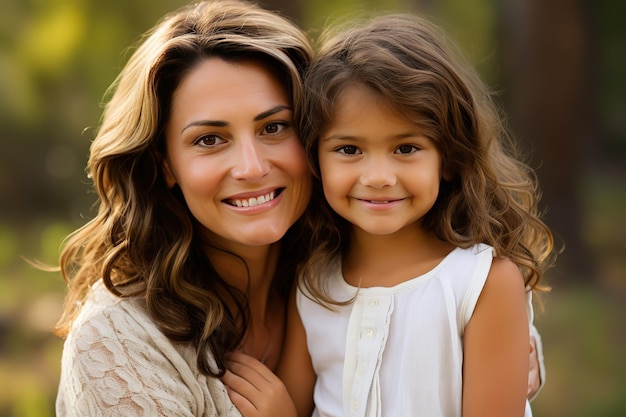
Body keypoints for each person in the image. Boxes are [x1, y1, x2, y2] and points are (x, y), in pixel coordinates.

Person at [272, 13, 555, 417]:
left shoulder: (480, 284)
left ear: (449, 158)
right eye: (349, 149)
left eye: (406, 148)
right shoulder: (314, 282)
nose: (378, 177)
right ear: (315, 158)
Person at [53, 0, 313, 415]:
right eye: (210, 139)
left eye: (274, 127)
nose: (252, 167)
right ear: (166, 165)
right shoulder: (120, 340)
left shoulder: (346, 283)